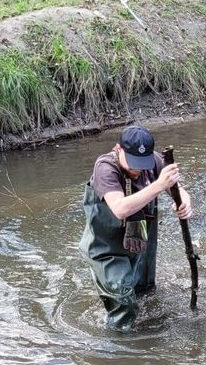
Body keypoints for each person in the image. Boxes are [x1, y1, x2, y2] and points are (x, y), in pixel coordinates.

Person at [79, 124, 192, 329]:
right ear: (118, 149)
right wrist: (160, 184)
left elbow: (178, 190)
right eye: (132, 163)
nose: (137, 169)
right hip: (106, 247)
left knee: (146, 293)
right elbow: (120, 208)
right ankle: (121, 348)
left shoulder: (155, 161)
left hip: (140, 237)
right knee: (124, 302)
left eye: (142, 164)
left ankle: (146, 332)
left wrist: (184, 201)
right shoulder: (105, 167)